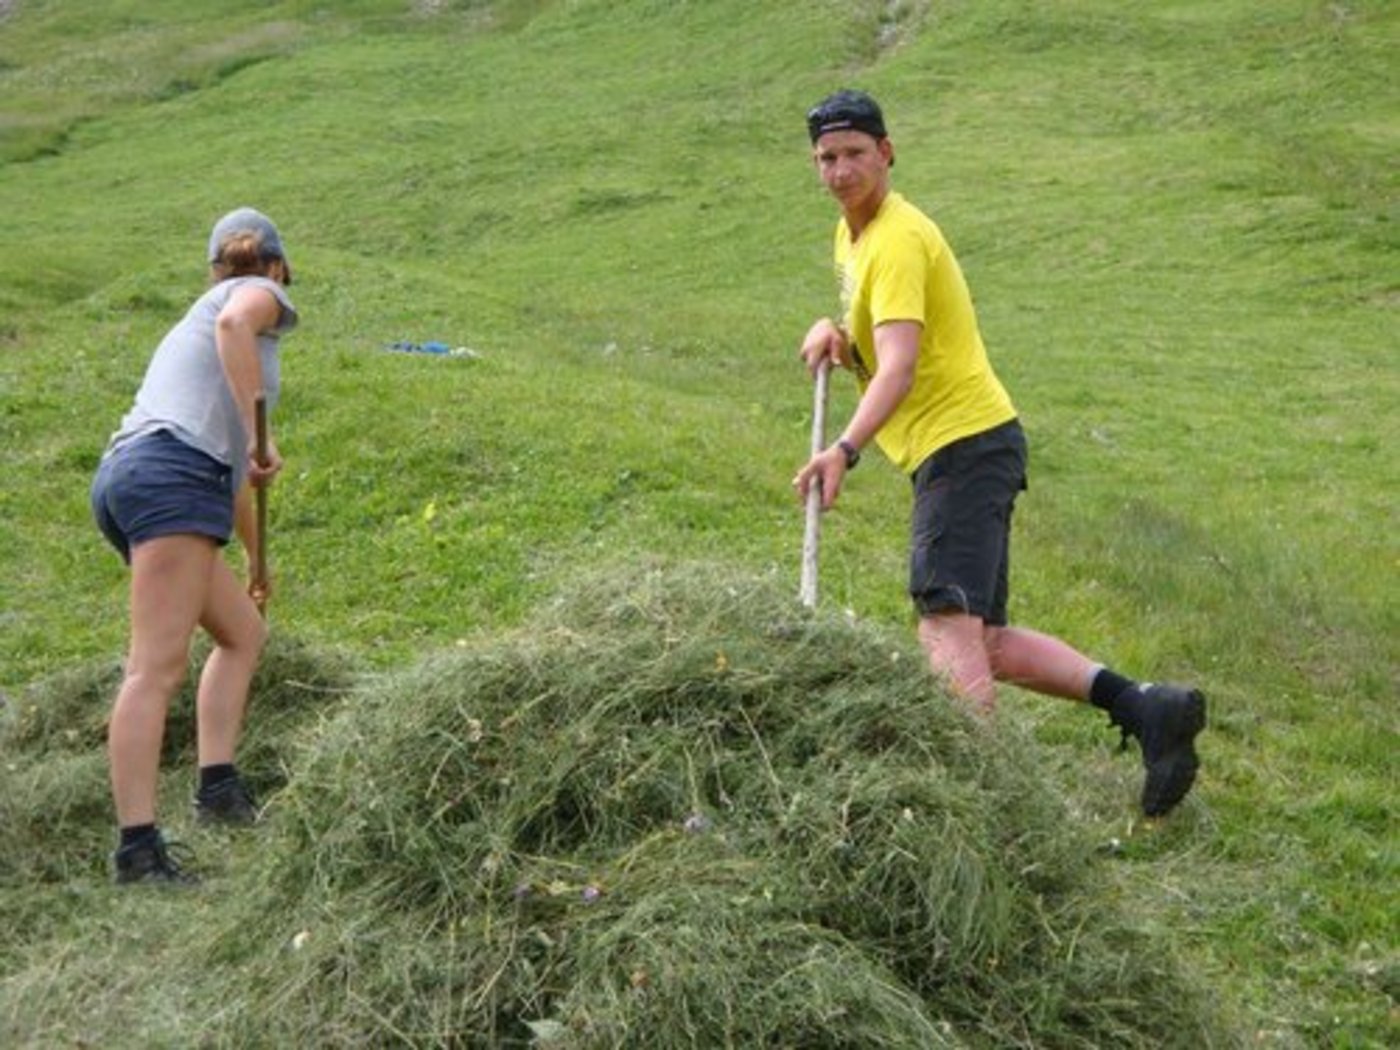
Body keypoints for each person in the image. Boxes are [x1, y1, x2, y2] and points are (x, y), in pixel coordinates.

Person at [792, 90, 1205, 817]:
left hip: (962, 446)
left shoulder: (895, 237)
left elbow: (901, 367)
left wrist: (843, 450)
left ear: (887, 153)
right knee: (986, 640)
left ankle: (983, 807)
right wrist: (839, 336)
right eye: (827, 158)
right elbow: (884, 342)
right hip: (972, 443)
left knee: (944, 622)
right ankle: (1147, 709)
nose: (841, 170)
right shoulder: (853, 237)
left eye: (855, 154)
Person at [89, 207, 298, 883]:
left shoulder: (207, 327)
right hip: (169, 477)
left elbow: (231, 470)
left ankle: (218, 789)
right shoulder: (249, 301)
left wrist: (253, 559)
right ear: (276, 268)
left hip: (154, 477)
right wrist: (259, 430)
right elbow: (241, 329)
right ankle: (138, 850)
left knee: (243, 632)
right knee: (154, 668)